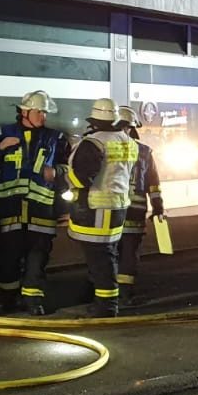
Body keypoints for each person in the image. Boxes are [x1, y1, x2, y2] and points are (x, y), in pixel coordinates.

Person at [0, 91, 67, 315]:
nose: (43, 116)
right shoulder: (3, 134)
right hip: (10, 209)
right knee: (8, 257)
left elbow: (70, 168)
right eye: (39, 112)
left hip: (42, 209)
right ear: (25, 112)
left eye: (45, 112)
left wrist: (57, 172)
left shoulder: (56, 138)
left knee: (38, 257)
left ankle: (33, 300)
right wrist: (0, 148)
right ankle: (8, 299)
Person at [65, 99, 138, 318]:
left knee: (100, 260)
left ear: (94, 121)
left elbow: (80, 177)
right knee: (108, 255)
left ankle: (106, 307)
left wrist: (62, 178)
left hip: (96, 208)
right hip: (117, 208)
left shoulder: (94, 142)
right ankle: (105, 303)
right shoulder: (128, 141)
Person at [115, 105, 164, 307]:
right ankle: (124, 293)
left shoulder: (107, 147)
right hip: (135, 212)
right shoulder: (144, 151)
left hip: (113, 211)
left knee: (110, 252)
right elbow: (154, 184)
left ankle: (108, 292)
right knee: (129, 253)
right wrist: (158, 207)